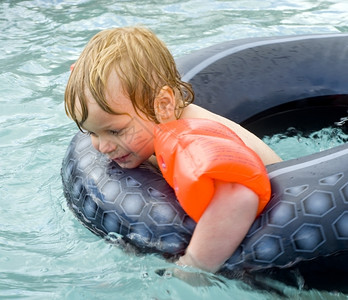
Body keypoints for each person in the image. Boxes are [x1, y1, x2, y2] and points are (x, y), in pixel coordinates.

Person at [64, 26, 282, 273]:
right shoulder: (160, 125)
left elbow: (240, 197)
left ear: (163, 105)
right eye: (92, 132)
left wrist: (193, 268)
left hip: (281, 224)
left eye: (115, 131)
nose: (102, 146)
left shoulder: (185, 141)